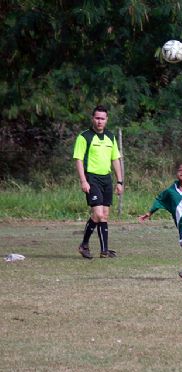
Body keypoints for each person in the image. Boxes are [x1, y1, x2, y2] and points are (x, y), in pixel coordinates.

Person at [73, 105, 123, 259]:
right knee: (98, 213)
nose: (100, 121)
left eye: (102, 118)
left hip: (106, 179)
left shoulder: (110, 137)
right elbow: (79, 159)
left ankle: (104, 250)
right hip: (91, 178)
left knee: (104, 215)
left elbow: (115, 159)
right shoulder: (84, 137)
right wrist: (83, 180)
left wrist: (119, 181)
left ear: (106, 120)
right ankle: (84, 244)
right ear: (92, 118)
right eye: (97, 118)